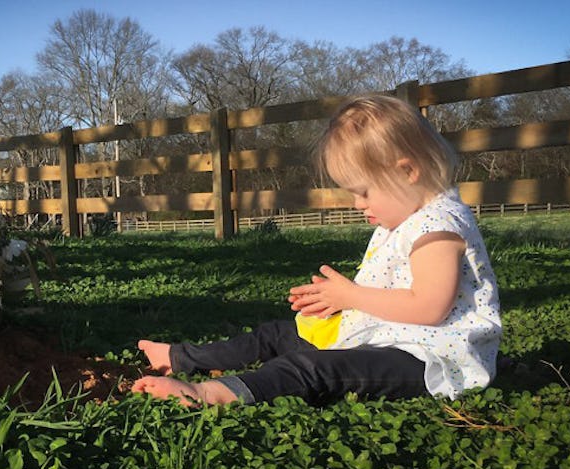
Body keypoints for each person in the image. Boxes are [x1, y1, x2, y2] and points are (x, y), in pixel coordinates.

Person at [132, 95, 501, 406]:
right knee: (276, 335)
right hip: (384, 339)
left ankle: (210, 394)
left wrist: (352, 296)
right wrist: (341, 303)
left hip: (423, 360)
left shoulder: (438, 227)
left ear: (407, 172)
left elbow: (429, 307)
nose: (358, 203)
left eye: (364, 191)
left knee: (311, 369)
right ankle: (179, 356)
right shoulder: (407, 219)